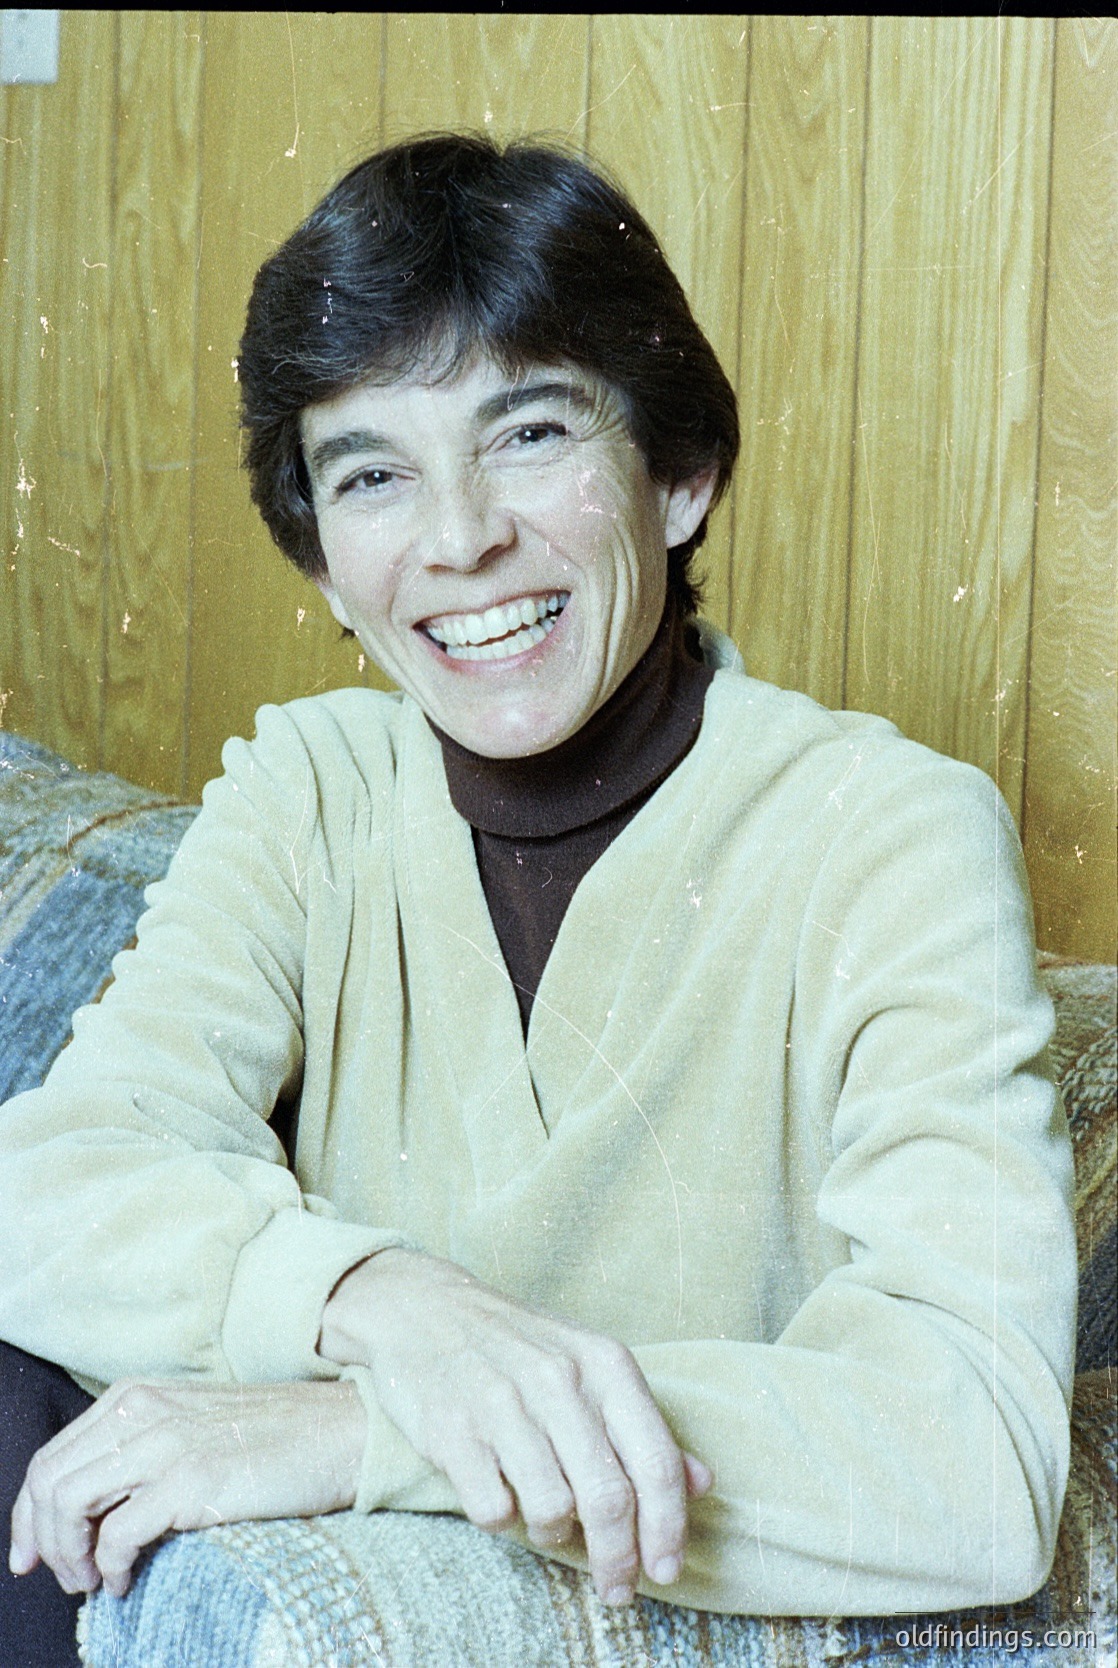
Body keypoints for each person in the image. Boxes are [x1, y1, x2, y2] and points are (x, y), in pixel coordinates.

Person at [0, 134, 1076, 1665]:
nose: (456, 539)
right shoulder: (314, 785)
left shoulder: (884, 830)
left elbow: (970, 1446)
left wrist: (377, 1430)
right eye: (371, 473)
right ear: (321, 560)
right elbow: (49, 1185)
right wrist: (396, 1307)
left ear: (680, 473)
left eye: (527, 436)